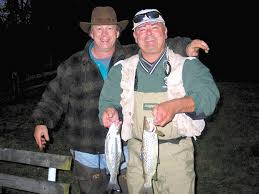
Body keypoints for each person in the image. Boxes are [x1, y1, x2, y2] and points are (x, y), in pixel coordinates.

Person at [32, 6, 210, 194]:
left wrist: (185, 46)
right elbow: (52, 97)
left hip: (125, 150)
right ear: (91, 33)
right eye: (98, 29)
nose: (104, 34)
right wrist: (41, 122)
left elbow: (158, 43)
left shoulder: (132, 56)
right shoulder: (72, 65)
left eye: (109, 29)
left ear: (117, 32)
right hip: (86, 152)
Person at [99, 8, 220, 194]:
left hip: (177, 159)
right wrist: (109, 112)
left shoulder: (188, 66)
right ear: (135, 36)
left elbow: (209, 98)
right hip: (136, 159)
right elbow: (107, 101)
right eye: (142, 29)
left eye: (154, 27)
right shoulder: (121, 70)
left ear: (165, 32)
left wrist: (176, 105)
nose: (148, 33)